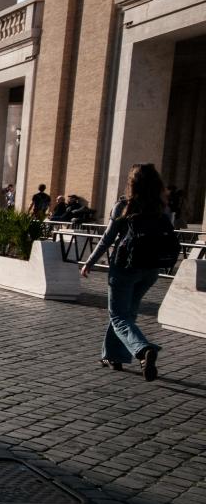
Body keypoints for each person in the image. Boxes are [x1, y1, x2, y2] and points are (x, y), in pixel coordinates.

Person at [81, 163, 176, 382]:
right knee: (127, 314)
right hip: (151, 269)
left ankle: (143, 350)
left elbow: (107, 240)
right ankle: (113, 356)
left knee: (119, 316)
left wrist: (89, 262)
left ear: (132, 183)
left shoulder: (124, 207)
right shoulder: (162, 209)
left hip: (124, 268)